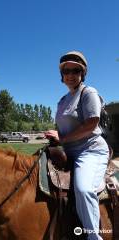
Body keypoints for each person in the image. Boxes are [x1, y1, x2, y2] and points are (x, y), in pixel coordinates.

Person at [45, 51, 109, 240]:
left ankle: (93, 236)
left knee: (83, 188)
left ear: (82, 74)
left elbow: (91, 124)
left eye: (75, 71)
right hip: (68, 151)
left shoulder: (88, 93)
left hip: (90, 150)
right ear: (62, 75)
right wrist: (55, 137)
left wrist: (62, 139)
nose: (70, 75)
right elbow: (64, 128)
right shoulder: (63, 100)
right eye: (66, 71)